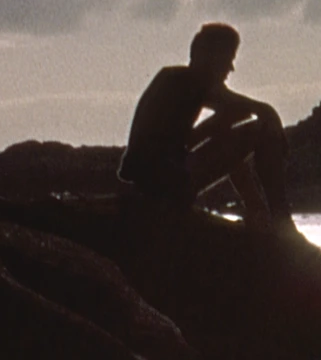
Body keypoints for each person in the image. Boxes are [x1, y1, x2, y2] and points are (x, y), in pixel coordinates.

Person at [119, 23, 290, 224]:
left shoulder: (176, 80)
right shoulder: (192, 80)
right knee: (261, 130)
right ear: (209, 56)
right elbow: (258, 110)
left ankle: (258, 211)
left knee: (226, 128)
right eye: (228, 59)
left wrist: (216, 127)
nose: (231, 68)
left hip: (160, 179)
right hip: (165, 183)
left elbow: (186, 139)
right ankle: (281, 221)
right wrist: (272, 123)